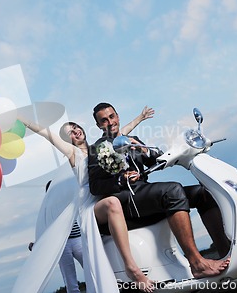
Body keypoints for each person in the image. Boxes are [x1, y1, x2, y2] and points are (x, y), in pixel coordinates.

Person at [19, 106, 156, 293]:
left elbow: (122, 131)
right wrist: (24, 121)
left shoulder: (99, 147)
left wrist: (140, 118)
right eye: (70, 133)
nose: (75, 131)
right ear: (68, 141)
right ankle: (131, 267)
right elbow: (47, 134)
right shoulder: (73, 153)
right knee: (113, 203)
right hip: (90, 207)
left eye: (75, 127)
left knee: (123, 200)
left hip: (105, 195)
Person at [88, 102, 231, 279]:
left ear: (117, 116)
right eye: (104, 120)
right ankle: (197, 263)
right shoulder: (98, 149)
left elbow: (156, 159)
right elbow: (95, 186)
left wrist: (142, 148)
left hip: (145, 191)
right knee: (172, 190)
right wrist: (121, 179)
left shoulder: (133, 139)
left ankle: (225, 252)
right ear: (99, 125)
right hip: (128, 198)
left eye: (112, 117)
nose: (110, 122)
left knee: (201, 193)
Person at [28, 181, 84, 293]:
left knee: (91, 268)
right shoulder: (48, 209)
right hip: (62, 244)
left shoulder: (69, 200)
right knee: (70, 280)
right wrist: (37, 244)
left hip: (77, 239)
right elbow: (44, 227)